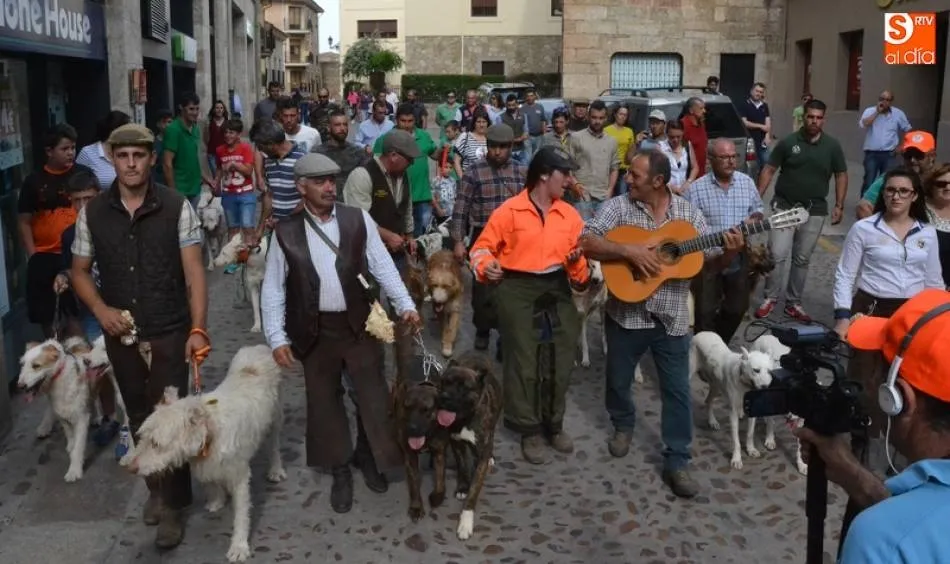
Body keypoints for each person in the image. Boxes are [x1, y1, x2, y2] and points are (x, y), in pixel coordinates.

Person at [71, 123, 210, 550]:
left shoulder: (175, 206)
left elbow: (194, 273)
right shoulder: (92, 212)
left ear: (151, 159)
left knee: (171, 417)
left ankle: (174, 507)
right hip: (122, 334)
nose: (131, 164)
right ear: (112, 159)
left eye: (139, 156)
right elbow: (78, 272)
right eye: (123, 156)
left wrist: (198, 328)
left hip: (169, 328)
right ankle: (155, 489)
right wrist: (100, 310)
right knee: (137, 414)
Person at [261, 152, 421, 513]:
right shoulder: (285, 232)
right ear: (302, 187)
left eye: (332, 180)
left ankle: (369, 456)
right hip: (315, 331)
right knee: (323, 400)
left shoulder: (357, 219)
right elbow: (272, 289)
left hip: (360, 325)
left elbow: (382, 265)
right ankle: (340, 469)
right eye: (320, 181)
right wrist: (276, 338)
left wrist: (406, 304)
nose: (329, 187)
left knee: (372, 394)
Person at [580, 148, 745, 498]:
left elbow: (708, 266)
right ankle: (623, 424)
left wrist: (730, 251)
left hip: (671, 320)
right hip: (625, 315)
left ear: (658, 182)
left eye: (634, 175)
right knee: (618, 381)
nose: (627, 179)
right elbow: (586, 240)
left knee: (678, 392)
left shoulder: (688, 216)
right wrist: (628, 251)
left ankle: (677, 460)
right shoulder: (618, 207)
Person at [796, 288, 950, 563]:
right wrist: (859, 480)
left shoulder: (880, 541)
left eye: (876, 370)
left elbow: (904, 536)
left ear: (899, 398)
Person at [469, 145, 589, 464]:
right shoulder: (510, 211)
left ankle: (554, 423)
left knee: (560, 356)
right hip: (516, 286)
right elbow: (481, 249)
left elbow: (581, 270)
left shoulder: (569, 214)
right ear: (544, 175)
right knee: (523, 358)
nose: (569, 180)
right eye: (565, 174)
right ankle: (529, 428)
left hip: (556, 286)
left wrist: (578, 265)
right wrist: (486, 266)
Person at [833, 168, 943, 441]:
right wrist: (843, 317)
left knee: (908, 381)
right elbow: (845, 274)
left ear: (914, 195)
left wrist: (940, 322)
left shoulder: (927, 233)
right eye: (891, 190)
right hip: (871, 310)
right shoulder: (864, 229)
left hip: (912, 314)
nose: (896, 196)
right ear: (883, 193)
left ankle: (902, 443)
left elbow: (934, 280)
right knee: (866, 380)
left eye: (903, 191)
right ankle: (862, 440)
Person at [755, 99, 848, 322]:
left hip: (815, 210)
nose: (814, 121)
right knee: (776, 255)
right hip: (785, 207)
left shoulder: (832, 146)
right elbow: (769, 169)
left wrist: (839, 205)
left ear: (823, 120)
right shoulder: (788, 142)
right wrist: (756, 200)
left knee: (802, 259)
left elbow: (841, 174)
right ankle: (770, 298)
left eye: (818, 117)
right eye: (810, 116)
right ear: (803, 117)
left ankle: (793, 303)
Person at [451, 124, 528, 355]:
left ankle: (506, 335)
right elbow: (461, 208)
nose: (497, 152)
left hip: (514, 240)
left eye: (502, 147)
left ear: (511, 147)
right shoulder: (474, 172)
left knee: (511, 291)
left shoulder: (521, 172)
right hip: (482, 237)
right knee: (482, 291)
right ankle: (482, 330)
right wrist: (457, 240)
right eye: (493, 147)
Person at [54, 170, 119, 446]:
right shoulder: (69, 235)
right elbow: (72, 269)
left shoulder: (116, 225)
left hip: (121, 306)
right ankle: (109, 417)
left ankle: (132, 419)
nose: (82, 207)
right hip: (92, 310)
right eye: (77, 201)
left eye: (88, 199)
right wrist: (63, 277)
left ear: (99, 196)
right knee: (97, 364)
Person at [18, 124, 93, 337]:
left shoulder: (83, 175)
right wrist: (33, 255)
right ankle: (55, 352)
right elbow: (23, 221)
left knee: (75, 312)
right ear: (49, 151)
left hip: (77, 253)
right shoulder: (34, 182)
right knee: (47, 314)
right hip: (45, 255)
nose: (71, 153)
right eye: (65, 148)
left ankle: (79, 355)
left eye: (73, 147)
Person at [686, 138, 764, 344]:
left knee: (737, 308)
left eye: (733, 156)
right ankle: (704, 351)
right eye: (724, 157)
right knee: (705, 310)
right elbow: (685, 225)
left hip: (737, 254)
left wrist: (753, 219)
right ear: (711, 160)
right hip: (708, 258)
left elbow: (758, 210)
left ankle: (719, 344)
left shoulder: (746, 183)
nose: (731, 161)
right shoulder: (696, 189)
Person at [343, 129, 418, 267]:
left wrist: (410, 235)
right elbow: (357, 220)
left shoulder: (403, 174)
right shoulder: (362, 175)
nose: (412, 163)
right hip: (367, 257)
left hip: (397, 254)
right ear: (393, 155)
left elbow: (407, 207)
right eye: (409, 159)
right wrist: (388, 236)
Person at [373, 104, 441, 237]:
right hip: (396, 198)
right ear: (396, 120)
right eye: (403, 121)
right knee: (397, 237)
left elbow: (434, 155)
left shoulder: (424, 136)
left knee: (420, 237)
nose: (406, 125)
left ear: (415, 121)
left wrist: (445, 149)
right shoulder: (386, 139)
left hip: (421, 198)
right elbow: (376, 165)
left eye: (410, 121)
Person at [858, 131, 937, 219]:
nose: (912, 160)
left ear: (932, 156)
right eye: (908, 155)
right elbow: (864, 206)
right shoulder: (891, 177)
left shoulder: (942, 181)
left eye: (918, 155)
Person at [214, 118, 258, 272]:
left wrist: (235, 165)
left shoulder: (246, 149)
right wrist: (216, 182)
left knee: (247, 226)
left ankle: (248, 258)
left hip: (245, 193)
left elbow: (248, 171)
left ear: (238, 134)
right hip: (228, 194)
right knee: (232, 229)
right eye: (225, 132)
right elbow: (219, 168)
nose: (227, 135)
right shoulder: (219, 150)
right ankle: (234, 261)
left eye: (231, 132)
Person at [163, 91, 215, 209]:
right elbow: (167, 163)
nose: (195, 113)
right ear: (181, 108)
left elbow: (193, 159)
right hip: (180, 189)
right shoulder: (173, 130)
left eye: (197, 109)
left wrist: (207, 179)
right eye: (191, 109)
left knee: (193, 225)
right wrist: (173, 192)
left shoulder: (195, 128)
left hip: (195, 188)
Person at [250, 119, 308, 223]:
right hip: (277, 227)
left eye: (260, 147)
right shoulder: (269, 161)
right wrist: (261, 227)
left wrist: (285, 221)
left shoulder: (302, 159)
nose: (260, 151)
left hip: (299, 226)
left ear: (271, 144)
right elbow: (269, 196)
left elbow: (308, 198)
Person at [859, 89, 911, 196]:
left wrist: (902, 146)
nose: (884, 102)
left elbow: (908, 129)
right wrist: (877, 112)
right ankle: (864, 206)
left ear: (891, 102)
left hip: (889, 154)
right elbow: (865, 124)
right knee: (869, 181)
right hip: (871, 154)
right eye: (882, 99)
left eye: (887, 100)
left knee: (886, 182)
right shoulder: (870, 111)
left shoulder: (898, 114)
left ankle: (881, 206)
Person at [312, 109, 368, 197]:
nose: (342, 128)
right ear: (329, 127)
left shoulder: (358, 152)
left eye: (345, 124)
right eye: (337, 125)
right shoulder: (317, 153)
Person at [76, 110, 131, 191]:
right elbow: (78, 183)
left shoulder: (129, 151)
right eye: (126, 131)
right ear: (113, 130)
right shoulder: (88, 153)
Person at [923, 163, 950, 287]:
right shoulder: (917, 208)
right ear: (931, 186)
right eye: (941, 184)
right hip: (918, 285)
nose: (947, 188)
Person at [662, 119, 698, 194]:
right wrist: (670, 186)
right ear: (667, 134)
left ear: (682, 133)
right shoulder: (661, 147)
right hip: (667, 191)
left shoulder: (687, 145)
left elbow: (695, 167)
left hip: (685, 191)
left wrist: (689, 181)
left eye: (678, 137)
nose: (675, 140)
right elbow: (655, 172)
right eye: (672, 137)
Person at [604, 106, 634, 195]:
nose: (623, 117)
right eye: (621, 114)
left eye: (625, 115)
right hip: (610, 168)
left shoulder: (629, 131)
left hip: (623, 169)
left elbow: (631, 150)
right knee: (608, 194)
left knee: (622, 194)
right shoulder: (606, 130)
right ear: (615, 115)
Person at [453, 109, 490, 176]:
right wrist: (463, 180)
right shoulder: (465, 137)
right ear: (474, 123)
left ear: (488, 123)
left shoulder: (492, 138)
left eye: (484, 122)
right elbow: (456, 161)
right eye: (478, 122)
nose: (481, 125)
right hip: (469, 181)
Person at [205, 100, 229, 176]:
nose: (219, 110)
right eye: (217, 108)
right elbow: (205, 137)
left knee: (225, 175)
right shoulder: (209, 122)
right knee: (216, 175)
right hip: (212, 153)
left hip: (225, 153)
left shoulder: (227, 123)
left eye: (221, 108)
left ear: (224, 110)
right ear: (214, 110)